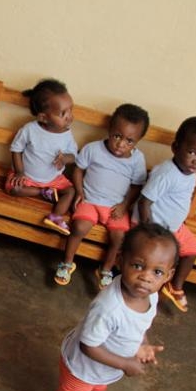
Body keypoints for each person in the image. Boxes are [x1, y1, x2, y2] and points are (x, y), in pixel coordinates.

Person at [33, 223, 178, 391]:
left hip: (104, 370)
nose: (146, 277)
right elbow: (88, 346)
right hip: (82, 368)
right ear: (121, 261)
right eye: (138, 266)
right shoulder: (109, 307)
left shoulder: (150, 296)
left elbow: (140, 327)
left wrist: (143, 345)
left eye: (157, 272)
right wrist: (125, 364)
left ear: (169, 275)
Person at [54, 103, 150, 289]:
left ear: (138, 141)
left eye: (129, 141)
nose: (121, 144)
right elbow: (78, 170)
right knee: (79, 227)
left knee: (120, 238)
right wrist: (80, 192)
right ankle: (66, 263)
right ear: (109, 129)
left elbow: (137, 185)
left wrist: (124, 205)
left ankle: (106, 269)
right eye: (117, 136)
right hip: (90, 200)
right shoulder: (93, 149)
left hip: (115, 207)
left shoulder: (137, 159)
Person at [136, 117, 196, 312]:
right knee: (158, 257)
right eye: (191, 152)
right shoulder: (167, 174)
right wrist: (149, 231)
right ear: (175, 147)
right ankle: (145, 290)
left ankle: (175, 286)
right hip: (156, 228)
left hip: (175, 227)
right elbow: (144, 201)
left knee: (194, 250)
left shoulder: (191, 172)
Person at [5, 79, 78, 235]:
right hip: (28, 178)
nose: (69, 116)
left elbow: (74, 156)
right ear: (43, 117)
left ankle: (56, 216)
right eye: (63, 113)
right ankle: (44, 193)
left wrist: (65, 158)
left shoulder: (67, 134)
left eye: (70, 110)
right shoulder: (30, 130)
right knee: (14, 188)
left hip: (54, 180)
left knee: (71, 192)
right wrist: (19, 172)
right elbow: (16, 149)